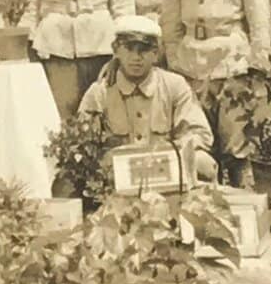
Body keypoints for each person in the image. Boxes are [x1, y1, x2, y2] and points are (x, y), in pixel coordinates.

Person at [161, 0, 271, 175]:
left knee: (236, 144)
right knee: (194, 141)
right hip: (190, 67)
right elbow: (170, 22)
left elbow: (259, 21)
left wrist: (257, 67)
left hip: (232, 65)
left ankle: (241, 194)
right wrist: (174, 59)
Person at [75, 15, 217, 185]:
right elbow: (82, 142)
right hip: (117, 174)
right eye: (129, 49)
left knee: (203, 162)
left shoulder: (174, 86)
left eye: (143, 50)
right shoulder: (100, 92)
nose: (136, 57)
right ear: (116, 51)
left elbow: (199, 133)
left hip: (165, 169)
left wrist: (168, 154)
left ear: (155, 54)